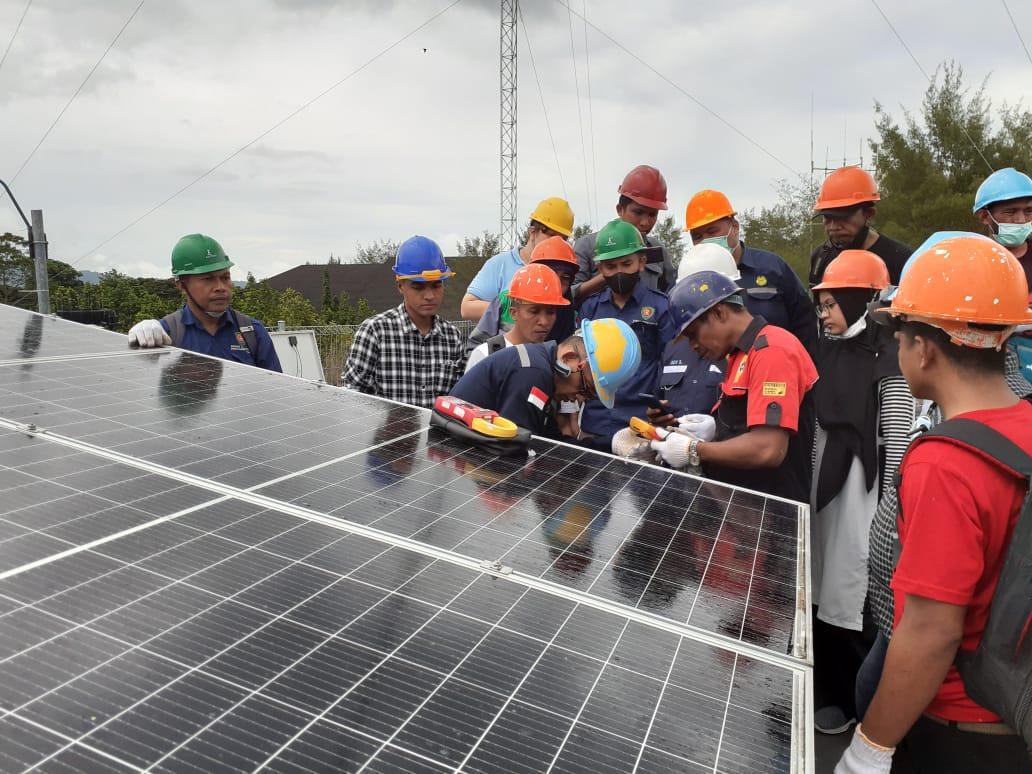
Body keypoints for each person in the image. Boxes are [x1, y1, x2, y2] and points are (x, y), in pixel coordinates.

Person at [836, 235, 1032, 774]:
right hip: (1017, 709)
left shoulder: (944, 462)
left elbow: (930, 631)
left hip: (961, 732)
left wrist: (870, 747)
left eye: (899, 338)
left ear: (923, 349)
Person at [808, 250, 916, 736]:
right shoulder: (825, 348)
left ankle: (857, 703)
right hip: (822, 486)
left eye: (832, 304)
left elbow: (896, 438)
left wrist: (889, 512)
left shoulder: (890, 356)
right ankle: (822, 689)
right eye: (822, 306)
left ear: (861, 300)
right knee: (818, 586)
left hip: (863, 492)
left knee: (853, 591)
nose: (825, 315)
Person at [651, 270, 817, 502]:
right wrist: (715, 431)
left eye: (693, 334)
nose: (692, 346)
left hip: (771, 509)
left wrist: (693, 449)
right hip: (744, 503)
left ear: (719, 313)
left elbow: (768, 449)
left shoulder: (772, 351)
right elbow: (744, 424)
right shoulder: (740, 354)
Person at [448, 318, 641, 439]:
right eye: (585, 387)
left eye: (589, 396)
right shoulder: (533, 373)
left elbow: (548, 441)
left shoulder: (543, 365)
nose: (580, 398)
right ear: (569, 359)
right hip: (457, 452)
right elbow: (516, 446)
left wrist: (611, 444)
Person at [578, 219, 676, 450]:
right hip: (595, 424)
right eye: (610, 266)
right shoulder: (590, 309)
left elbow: (669, 364)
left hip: (641, 424)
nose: (619, 272)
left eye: (626, 263)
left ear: (642, 262)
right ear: (599, 268)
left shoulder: (661, 307)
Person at [685, 188, 817, 354]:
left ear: (735, 227)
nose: (706, 241)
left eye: (712, 231)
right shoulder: (690, 282)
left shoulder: (772, 268)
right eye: (697, 236)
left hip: (772, 365)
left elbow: (805, 322)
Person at [127, 234, 282, 372]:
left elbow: (276, 389)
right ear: (181, 285)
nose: (221, 287)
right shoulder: (166, 334)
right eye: (208, 279)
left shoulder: (252, 332)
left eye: (225, 278)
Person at [342, 235, 464, 409]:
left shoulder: (453, 337)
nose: (429, 295)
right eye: (418, 287)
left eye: (436, 285)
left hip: (437, 428)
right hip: (386, 427)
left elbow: (459, 401)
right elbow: (352, 395)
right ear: (400, 286)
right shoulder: (375, 332)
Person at [572, 165, 677, 302]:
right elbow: (569, 295)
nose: (645, 222)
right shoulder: (587, 245)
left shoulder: (658, 250)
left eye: (652, 214)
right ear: (620, 209)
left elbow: (672, 294)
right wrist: (612, 275)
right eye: (638, 212)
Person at [460, 197, 575, 322]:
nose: (556, 242)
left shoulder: (564, 272)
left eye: (563, 239)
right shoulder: (500, 264)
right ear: (532, 232)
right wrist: (508, 308)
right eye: (551, 235)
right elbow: (467, 308)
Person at [464, 236, 579, 359]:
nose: (556, 282)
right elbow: (475, 346)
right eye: (551, 273)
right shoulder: (508, 298)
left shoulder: (569, 313)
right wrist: (496, 362)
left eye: (565, 278)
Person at [973, 167, 1032, 380]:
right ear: (985, 216)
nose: (1021, 219)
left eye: (1028, 211)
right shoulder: (972, 262)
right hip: (990, 363)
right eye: (1011, 212)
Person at [809, 166, 912, 288]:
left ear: (869, 214)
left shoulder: (902, 261)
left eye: (842, 217)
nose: (833, 226)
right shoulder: (820, 259)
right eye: (827, 217)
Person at [464, 263, 570, 372]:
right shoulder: (485, 355)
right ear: (514, 313)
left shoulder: (555, 360)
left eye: (550, 312)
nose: (544, 321)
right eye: (534, 311)